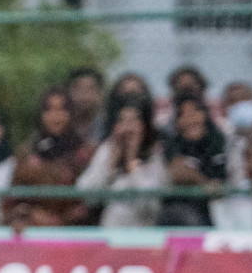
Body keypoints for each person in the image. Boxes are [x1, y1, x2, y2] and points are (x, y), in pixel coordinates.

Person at [6, 88, 94, 228]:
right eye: (49, 110)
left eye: (61, 110)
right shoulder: (27, 151)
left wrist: (64, 219)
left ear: (70, 113)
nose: (56, 116)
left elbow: (89, 197)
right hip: (33, 229)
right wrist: (32, 213)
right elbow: (14, 197)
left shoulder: (85, 152)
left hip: (75, 231)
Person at [78, 93, 166, 228]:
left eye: (133, 121)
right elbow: (87, 194)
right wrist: (110, 165)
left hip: (144, 235)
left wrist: (132, 161)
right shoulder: (107, 150)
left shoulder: (154, 154)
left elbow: (149, 204)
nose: (127, 128)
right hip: (109, 233)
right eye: (122, 121)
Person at [159, 94, 227, 227]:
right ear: (177, 121)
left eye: (196, 112)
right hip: (176, 207)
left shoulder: (218, 141)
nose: (191, 119)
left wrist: (195, 178)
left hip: (214, 210)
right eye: (184, 115)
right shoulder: (172, 143)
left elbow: (220, 180)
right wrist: (203, 182)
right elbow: (178, 172)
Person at [66, 68, 106, 144]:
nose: (83, 95)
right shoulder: (59, 125)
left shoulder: (108, 127)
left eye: (90, 89)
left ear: (100, 95)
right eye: (78, 89)